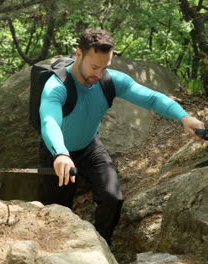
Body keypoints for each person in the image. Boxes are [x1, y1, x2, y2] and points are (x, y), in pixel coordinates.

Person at [38, 28, 205, 246]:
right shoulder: (56, 86)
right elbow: (49, 121)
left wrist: (184, 117)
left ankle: (100, 244)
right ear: (79, 54)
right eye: (94, 66)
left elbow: (152, 99)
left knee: (112, 198)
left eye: (104, 67)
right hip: (57, 153)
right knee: (57, 211)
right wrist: (60, 153)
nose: (98, 74)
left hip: (90, 148)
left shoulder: (110, 81)